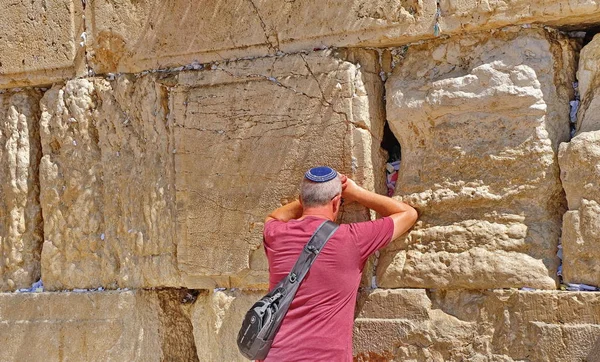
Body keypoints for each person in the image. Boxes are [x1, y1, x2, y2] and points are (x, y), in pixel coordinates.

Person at [261, 166, 418, 361]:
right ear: (337, 203)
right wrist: (356, 192)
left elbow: (273, 216)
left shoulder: (276, 234)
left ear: (301, 201)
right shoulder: (352, 239)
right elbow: (408, 214)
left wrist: (313, 196)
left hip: (275, 355)